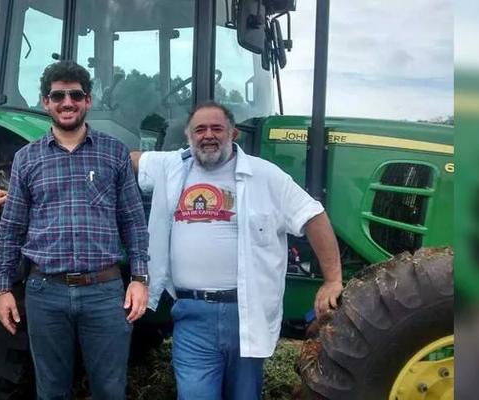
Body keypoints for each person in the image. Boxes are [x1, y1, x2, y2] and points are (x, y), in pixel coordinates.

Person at [131, 101, 344, 399]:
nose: (208, 135)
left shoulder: (265, 175)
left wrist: (333, 280)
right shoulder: (172, 166)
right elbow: (129, 159)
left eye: (217, 128)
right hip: (192, 315)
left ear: (233, 134)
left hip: (246, 315)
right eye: (199, 129)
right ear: (189, 136)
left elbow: (314, 216)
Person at [0, 61, 150, 400]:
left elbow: (133, 221)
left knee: (110, 390)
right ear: (46, 102)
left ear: (88, 100)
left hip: (104, 291)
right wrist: (3, 288)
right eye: (58, 96)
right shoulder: (26, 159)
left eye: (76, 95)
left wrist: (139, 278)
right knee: (51, 392)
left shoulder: (114, 153)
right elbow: (11, 227)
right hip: (45, 292)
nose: (67, 102)